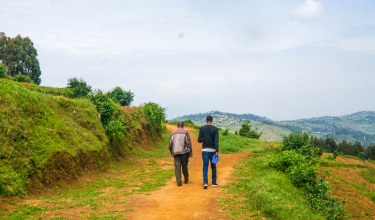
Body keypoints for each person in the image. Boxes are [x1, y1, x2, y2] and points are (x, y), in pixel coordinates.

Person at [198, 115, 219, 189]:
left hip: (205, 150)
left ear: (206, 120)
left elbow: (199, 140)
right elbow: (216, 141)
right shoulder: (215, 129)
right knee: (213, 166)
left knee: (205, 166)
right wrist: (217, 151)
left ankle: (205, 182)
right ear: (212, 120)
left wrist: (204, 139)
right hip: (213, 151)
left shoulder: (202, 129)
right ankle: (213, 182)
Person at [169, 121, 193, 186]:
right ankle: (186, 178)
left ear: (177, 125)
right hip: (184, 152)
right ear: (183, 126)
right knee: (184, 165)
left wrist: (171, 151)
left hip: (176, 152)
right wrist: (190, 151)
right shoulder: (185, 132)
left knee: (177, 167)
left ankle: (179, 181)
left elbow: (170, 144)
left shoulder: (173, 133)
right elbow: (188, 142)